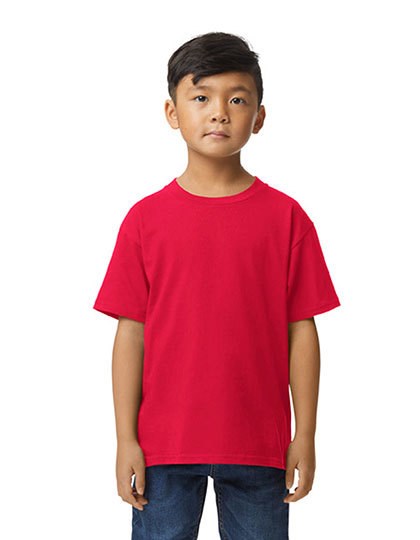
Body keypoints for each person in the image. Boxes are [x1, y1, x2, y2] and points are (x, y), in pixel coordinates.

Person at [93, 31, 341, 540]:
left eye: (237, 100)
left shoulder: (287, 219)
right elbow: (130, 334)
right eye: (201, 97)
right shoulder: (144, 221)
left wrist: (306, 435)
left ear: (260, 117)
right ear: (172, 112)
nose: (220, 114)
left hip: (259, 444)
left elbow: (302, 331)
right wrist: (125, 439)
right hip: (164, 445)